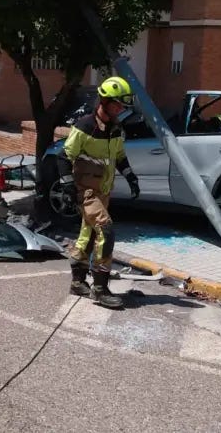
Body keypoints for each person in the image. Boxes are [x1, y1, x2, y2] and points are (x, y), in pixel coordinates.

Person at [56, 76, 140, 309]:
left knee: (89, 234)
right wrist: (67, 185)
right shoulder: (84, 126)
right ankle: (100, 288)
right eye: (118, 104)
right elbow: (64, 156)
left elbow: (119, 156)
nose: (121, 109)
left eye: (123, 105)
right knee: (106, 229)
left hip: (103, 190)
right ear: (105, 101)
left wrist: (131, 177)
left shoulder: (116, 129)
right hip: (85, 191)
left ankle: (77, 282)